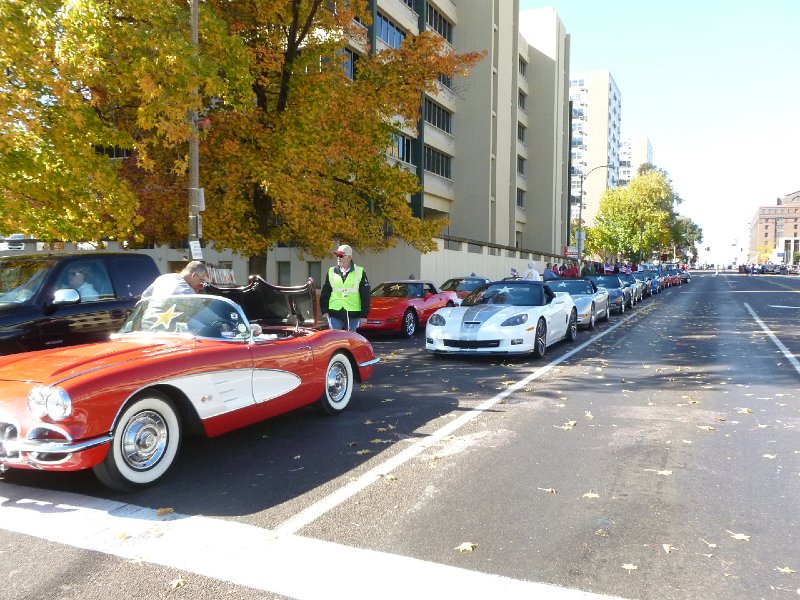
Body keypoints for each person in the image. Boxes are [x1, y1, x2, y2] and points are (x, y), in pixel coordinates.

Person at [319, 244, 371, 332]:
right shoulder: (331, 271)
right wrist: (324, 311)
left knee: (350, 341)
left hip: (353, 314)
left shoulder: (360, 272)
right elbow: (325, 293)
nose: (338, 258)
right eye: (337, 256)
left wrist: (364, 315)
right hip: (334, 313)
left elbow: (365, 295)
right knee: (335, 340)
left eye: (341, 256)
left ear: (349, 257)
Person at [142, 261, 210, 299]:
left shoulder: (163, 278)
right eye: (201, 279)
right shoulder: (187, 291)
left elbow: (145, 295)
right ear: (194, 276)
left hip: (148, 320)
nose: (201, 283)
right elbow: (200, 314)